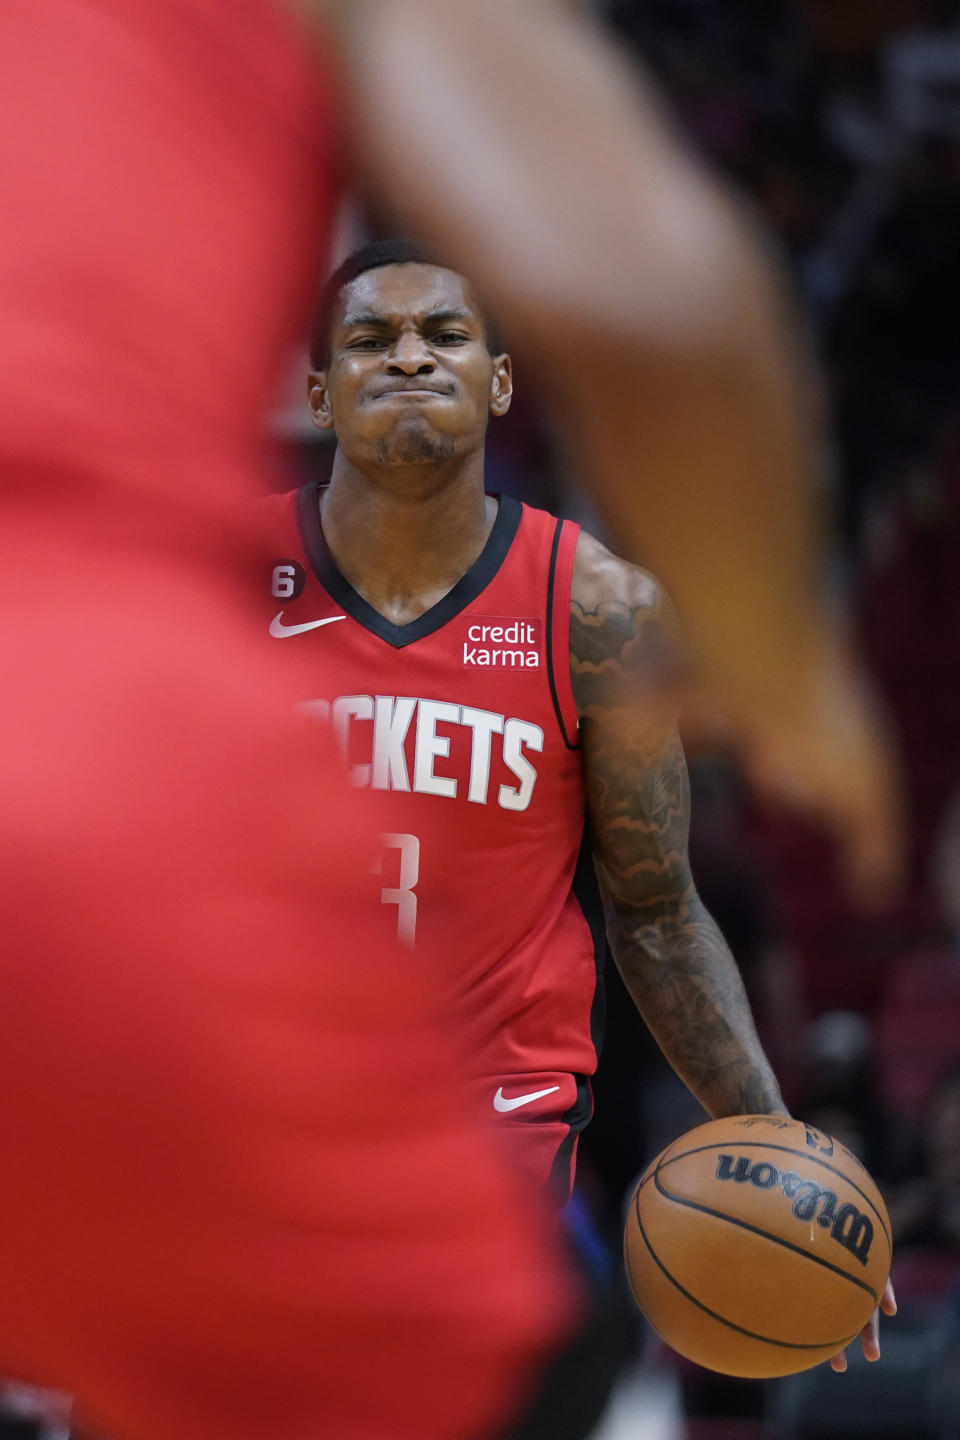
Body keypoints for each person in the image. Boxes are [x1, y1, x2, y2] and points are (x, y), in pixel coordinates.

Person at [0, 1, 896, 1436]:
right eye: (375, 340)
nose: (409, 362)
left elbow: (657, 910)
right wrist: (784, 664)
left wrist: (762, 1123)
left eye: (444, 337)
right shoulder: (223, 575)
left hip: (454, 1134)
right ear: (314, 388)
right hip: (152, 936)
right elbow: (652, 288)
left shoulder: (579, 603)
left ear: (497, 382)